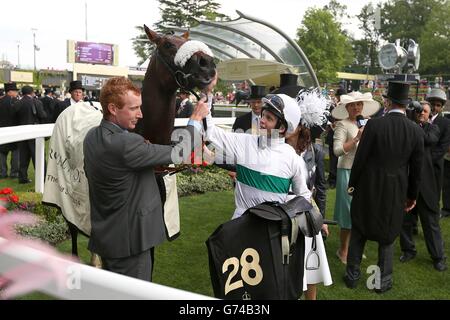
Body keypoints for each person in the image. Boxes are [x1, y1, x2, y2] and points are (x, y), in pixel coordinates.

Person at [83, 77, 208, 281]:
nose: (140, 114)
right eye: (133, 108)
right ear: (113, 108)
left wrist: (145, 153)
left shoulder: (92, 136)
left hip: (107, 238)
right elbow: (180, 152)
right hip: (131, 242)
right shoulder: (127, 143)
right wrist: (195, 118)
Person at [203, 73, 312, 299]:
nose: (262, 120)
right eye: (264, 114)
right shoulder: (245, 143)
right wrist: (208, 94)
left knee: (269, 291)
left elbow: (303, 197)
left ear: (283, 127)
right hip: (239, 229)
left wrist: (314, 220)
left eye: (270, 118)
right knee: (237, 294)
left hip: (273, 234)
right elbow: (210, 132)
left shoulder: (293, 160)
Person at [344, 81, 424, 293]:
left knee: (359, 230)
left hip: (368, 185)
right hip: (396, 189)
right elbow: (417, 170)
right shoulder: (416, 131)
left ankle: (352, 277)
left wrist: (352, 185)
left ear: (388, 102)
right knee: (387, 237)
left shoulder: (374, 125)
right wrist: (412, 196)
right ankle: (382, 282)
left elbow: (360, 159)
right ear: (405, 105)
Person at [285, 89, 332, 300]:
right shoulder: (278, 149)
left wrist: (320, 217)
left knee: (310, 265)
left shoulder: (316, 152)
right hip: (282, 214)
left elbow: (320, 188)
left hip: (306, 213)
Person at [331, 91, 380, 264]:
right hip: (347, 171)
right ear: (346, 107)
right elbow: (337, 151)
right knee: (347, 212)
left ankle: (355, 247)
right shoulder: (342, 125)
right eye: (352, 105)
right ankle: (343, 250)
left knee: (361, 211)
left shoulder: (369, 123)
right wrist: (357, 138)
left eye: (359, 104)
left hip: (364, 173)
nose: (356, 107)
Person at [399, 101, 447, 271]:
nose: (422, 113)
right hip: (407, 183)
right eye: (419, 110)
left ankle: (438, 257)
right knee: (405, 221)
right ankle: (408, 250)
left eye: (425, 111)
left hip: (426, 187)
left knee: (430, 223)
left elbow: (430, 140)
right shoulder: (408, 128)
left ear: (429, 114)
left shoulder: (432, 129)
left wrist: (413, 124)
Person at [14, 85, 47, 184]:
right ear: (32, 92)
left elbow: (14, 117)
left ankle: (23, 178)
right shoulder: (36, 102)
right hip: (34, 133)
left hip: (21, 133)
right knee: (38, 157)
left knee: (23, 157)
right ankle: (43, 177)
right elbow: (42, 115)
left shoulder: (17, 103)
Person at [426, 89, 450, 219]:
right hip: (417, 164)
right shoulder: (419, 118)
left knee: (433, 195)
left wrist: (427, 160)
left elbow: (443, 146)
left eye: (438, 105)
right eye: (432, 104)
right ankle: (412, 223)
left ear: (442, 107)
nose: (434, 107)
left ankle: (433, 219)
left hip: (434, 166)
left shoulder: (445, 123)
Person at [325, 87, 345, 188]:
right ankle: (332, 179)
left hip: (341, 136)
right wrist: (331, 123)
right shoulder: (333, 106)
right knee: (333, 158)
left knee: (338, 158)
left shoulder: (345, 107)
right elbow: (329, 117)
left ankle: (335, 179)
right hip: (333, 135)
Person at [0, 82, 20, 179]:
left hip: (2, 130)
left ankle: (2, 173)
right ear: (10, 91)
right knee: (15, 152)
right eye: (15, 91)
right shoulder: (15, 101)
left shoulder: (1, 101)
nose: (16, 93)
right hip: (14, 130)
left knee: (2, 153)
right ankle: (14, 173)